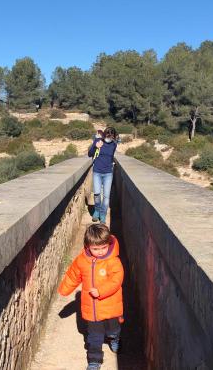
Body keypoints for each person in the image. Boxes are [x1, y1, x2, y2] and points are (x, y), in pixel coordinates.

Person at [58, 223, 124, 370]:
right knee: (94, 336)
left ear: (109, 244)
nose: (100, 252)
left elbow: (116, 281)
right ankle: (94, 360)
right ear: (88, 246)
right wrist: (64, 289)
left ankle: (115, 338)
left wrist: (101, 291)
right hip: (92, 310)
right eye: (96, 249)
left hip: (110, 306)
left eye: (103, 247)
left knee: (113, 328)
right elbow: (73, 275)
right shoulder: (82, 260)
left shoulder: (113, 261)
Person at [88, 127, 118, 224]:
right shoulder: (98, 141)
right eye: (108, 135)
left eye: (111, 136)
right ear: (104, 134)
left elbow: (111, 157)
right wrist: (95, 146)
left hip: (108, 173)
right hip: (97, 171)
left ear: (113, 136)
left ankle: (103, 215)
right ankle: (96, 211)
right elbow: (90, 154)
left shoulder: (114, 144)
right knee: (97, 194)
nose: (109, 137)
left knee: (106, 197)